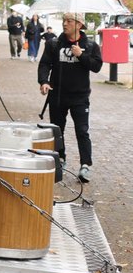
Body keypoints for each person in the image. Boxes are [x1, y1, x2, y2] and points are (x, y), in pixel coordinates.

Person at [38, 11, 102, 182]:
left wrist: (81, 56)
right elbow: (44, 64)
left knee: (82, 130)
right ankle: (60, 159)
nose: (65, 24)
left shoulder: (90, 45)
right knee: (56, 130)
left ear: (79, 25)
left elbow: (96, 66)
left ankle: (85, 166)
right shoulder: (54, 44)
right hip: (57, 95)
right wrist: (44, 81)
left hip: (80, 97)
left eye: (69, 21)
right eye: (64, 21)